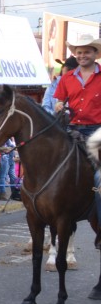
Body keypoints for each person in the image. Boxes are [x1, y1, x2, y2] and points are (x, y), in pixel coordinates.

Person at [52, 33, 101, 218]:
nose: (82, 55)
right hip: (70, 130)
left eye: (86, 52)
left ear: (95, 53)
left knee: (100, 178)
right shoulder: (67, 78)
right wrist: (58, 105)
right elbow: (59, 101)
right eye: (79, 52)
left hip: (97, 132)